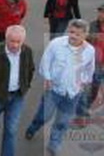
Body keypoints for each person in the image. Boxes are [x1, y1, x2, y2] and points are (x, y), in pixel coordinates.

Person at [25, 20, 95, 156]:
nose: (73, 36)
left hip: (73, 94)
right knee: (44, 116)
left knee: (63, 121)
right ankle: (33, 127)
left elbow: (89, 70)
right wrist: (48, 78)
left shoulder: (89, 51)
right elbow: (45, 62)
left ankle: (54, 143)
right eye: (72, 32)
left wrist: (83, 82)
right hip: (54, 90)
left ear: (85, 35)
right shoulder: (56, 44)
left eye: (78, 34)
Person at [0, 26, 35, 156]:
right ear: (6, 39)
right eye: (12, 41)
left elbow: (30, 69)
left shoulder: (27, 51)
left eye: (18, 42)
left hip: (17, 96)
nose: (15, 45)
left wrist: (25, 86)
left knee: (11, 129)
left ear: (23, 41)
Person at [74, 4, 104, 125]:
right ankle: (81, 113)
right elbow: (84, 40)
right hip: (95, 62)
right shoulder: (92, 26)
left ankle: (85, 108)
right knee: (87, 89)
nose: (101, 14)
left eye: (103, 12)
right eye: (100, 12)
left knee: (95, 90)